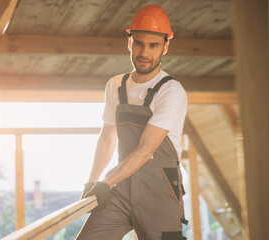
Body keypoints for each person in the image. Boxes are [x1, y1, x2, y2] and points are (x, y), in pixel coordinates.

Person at [77, 5, 188, 240]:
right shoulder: (115, 86)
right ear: (129, 43)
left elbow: (146, 149)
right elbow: (107, 138)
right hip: (120, 190)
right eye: (139, 43)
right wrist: (93, 181)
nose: (144, 52)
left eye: (153, 45)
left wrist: (106, 183)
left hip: (159, 192)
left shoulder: (171, 91)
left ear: (165, 47)